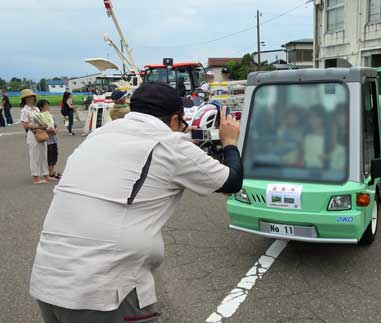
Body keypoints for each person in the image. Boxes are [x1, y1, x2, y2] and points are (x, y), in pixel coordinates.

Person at [30, 82, 243, 323]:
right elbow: (232, 182)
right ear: (174, 120)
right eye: (182, 125)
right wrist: (230, 141)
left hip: (48, 281)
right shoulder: (171, 145)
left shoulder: (98, 136)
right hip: (104, 292)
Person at [20, 89, 50, 184]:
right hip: (33, 134)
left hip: (41, 132)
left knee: (44, 155)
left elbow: (41, 118)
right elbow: (25, 125)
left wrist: (45, 124)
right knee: (35, 156)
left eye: (32, 97)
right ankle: (36, 178)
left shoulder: (36, 109)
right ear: (24, 99)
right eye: (28, 97)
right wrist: (38, 126)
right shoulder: (25, 110)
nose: (31, 99)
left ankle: (46, 175)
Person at [37, 99, 61, 179]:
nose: (48, 107)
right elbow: (38, 129)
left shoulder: (51, 116)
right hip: (46, 140)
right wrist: (48, 130)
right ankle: (50, 172)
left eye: (48, 105)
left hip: (53, 138)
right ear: (41, 107)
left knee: (55, 155)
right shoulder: (39, 117)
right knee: (49, 156)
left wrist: (56, 130)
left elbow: (56, 126)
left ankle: (52, 171)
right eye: (46, 106)